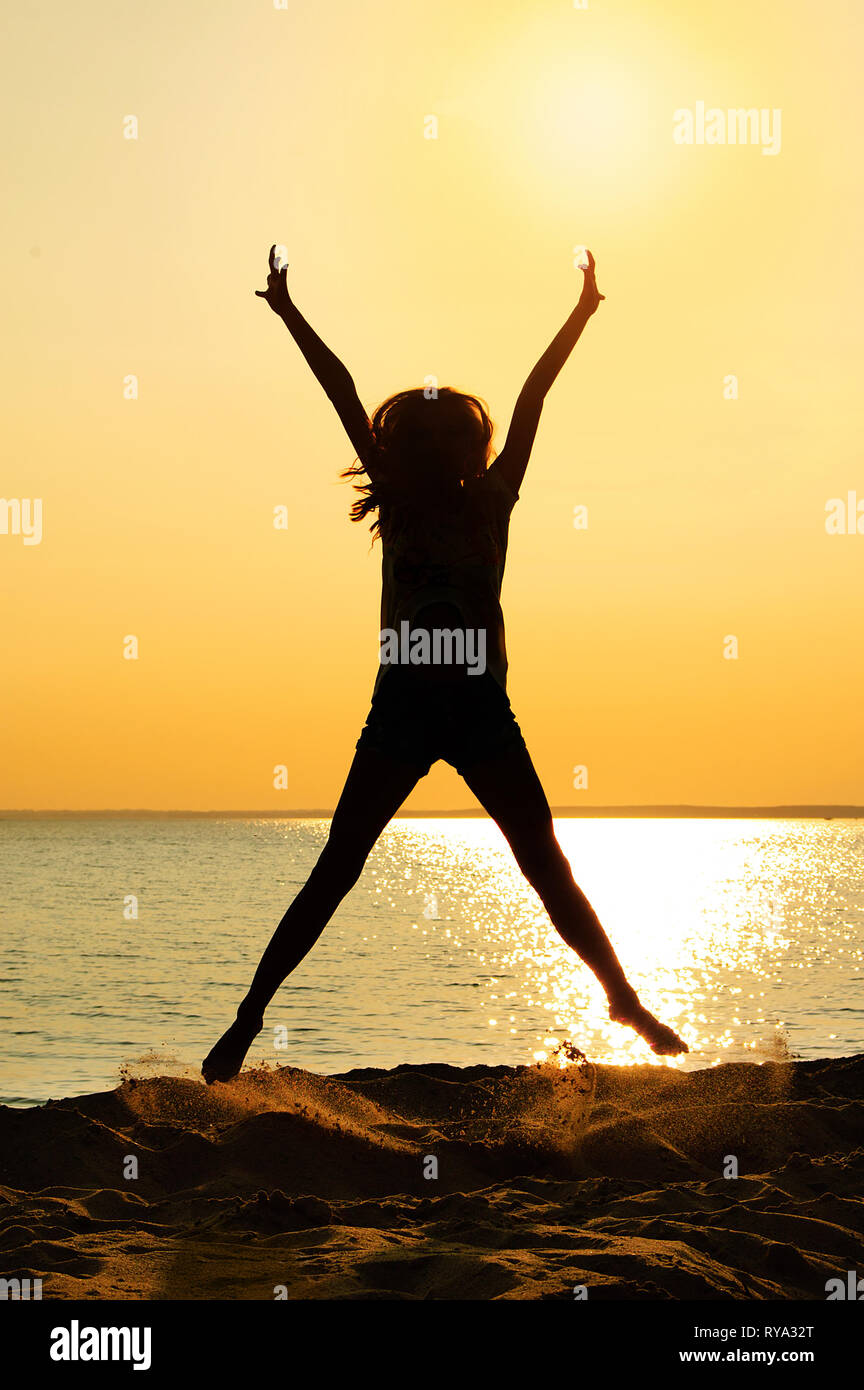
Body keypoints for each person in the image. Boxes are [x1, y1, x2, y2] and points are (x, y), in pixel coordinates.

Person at [202, 245, 687, 1083]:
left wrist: (582, 313)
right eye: (417, 437)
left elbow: (534, 394)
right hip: (397, 715)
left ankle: (621, 996)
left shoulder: (493, 499)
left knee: (546, 867)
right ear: (405, 447)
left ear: (470, 449)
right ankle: (249, 1017)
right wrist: (288, 315)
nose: (430, 448)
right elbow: (342, 390)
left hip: (479, 716)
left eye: (446, 437)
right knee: (337, 867)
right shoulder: (394, 497)